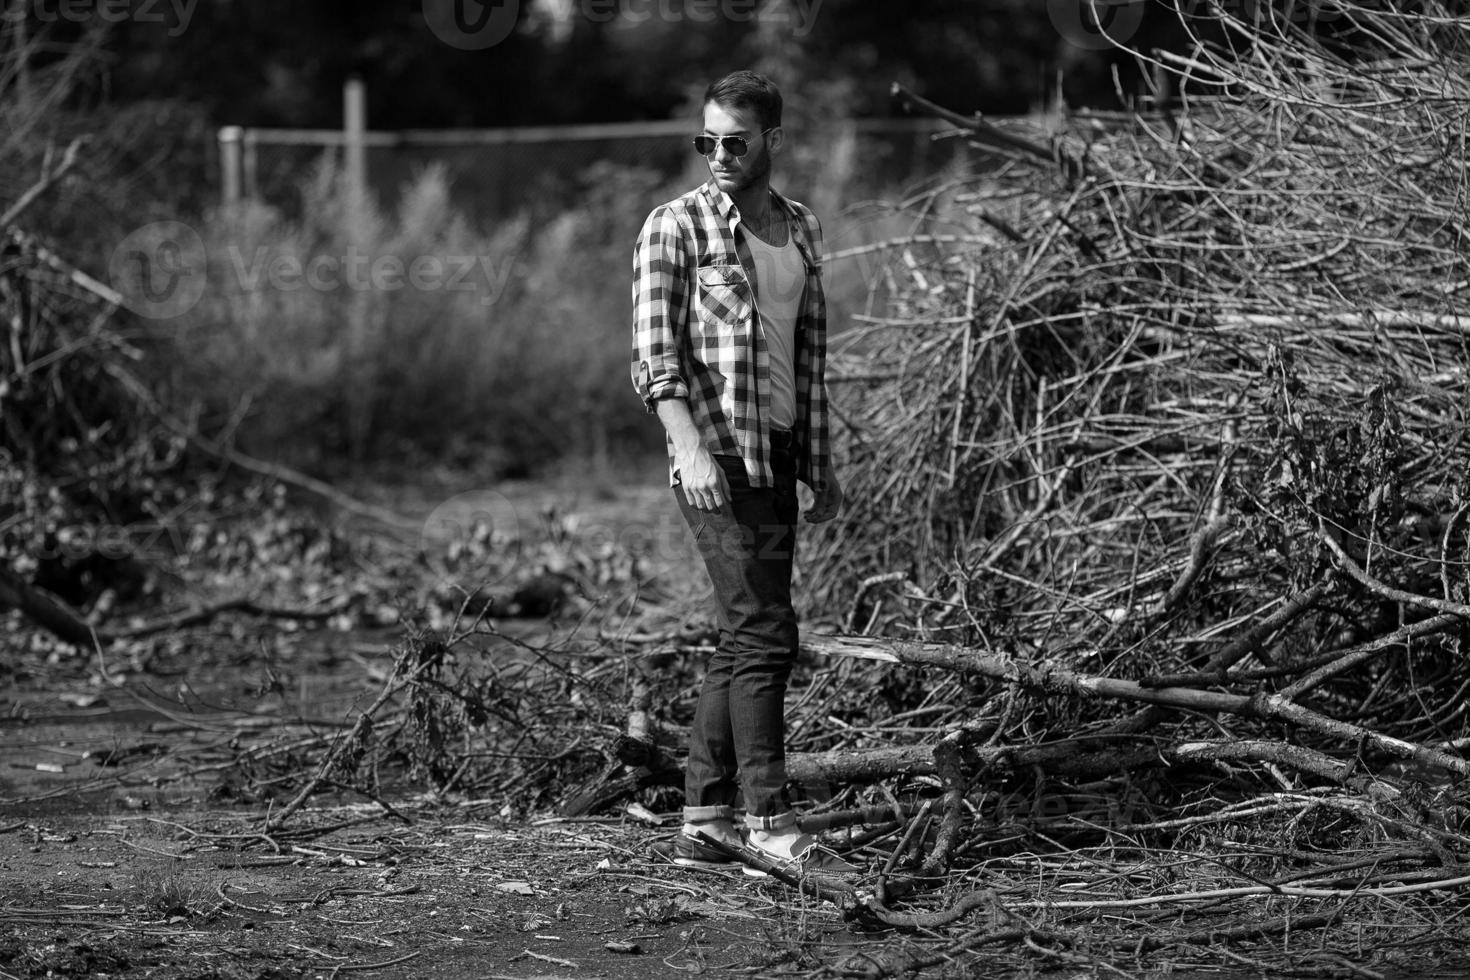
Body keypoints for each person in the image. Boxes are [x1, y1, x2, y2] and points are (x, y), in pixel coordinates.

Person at [631, 70, 851, 876]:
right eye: (708, 141)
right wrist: (685, 446)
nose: (719, 155)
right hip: (714, 456)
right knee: (766, 633)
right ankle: (770, 818)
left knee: (741, 633)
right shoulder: (675, 227)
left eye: (735, 141)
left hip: (778, 452)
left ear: (772, 143)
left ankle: (703, 818)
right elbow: (654, 358)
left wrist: (819, 464)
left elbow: (809, 357)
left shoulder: (801, 229)